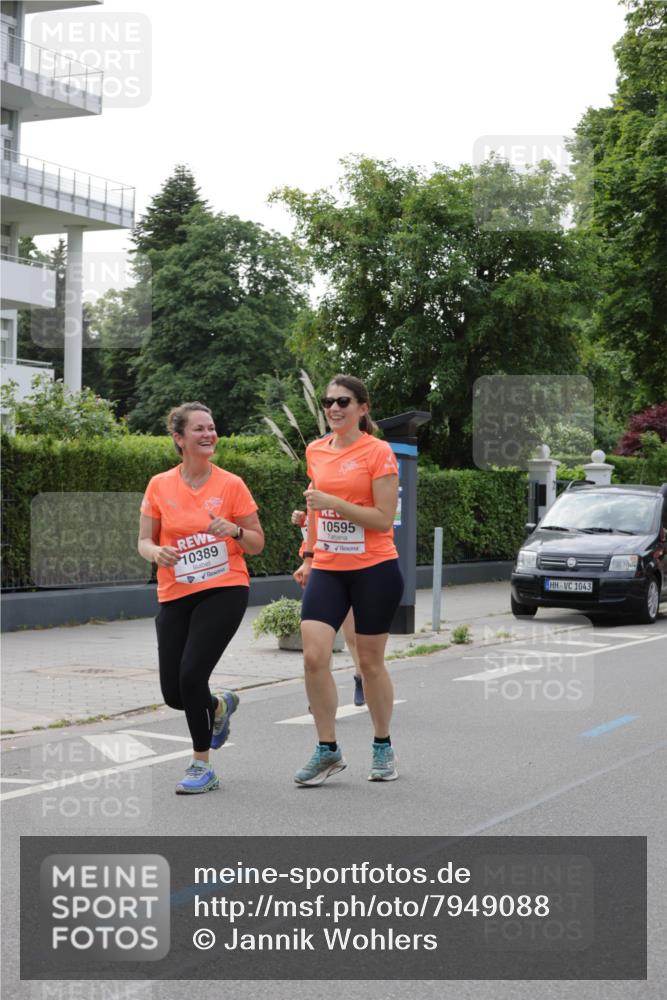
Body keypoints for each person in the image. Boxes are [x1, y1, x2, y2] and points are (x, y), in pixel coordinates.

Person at [138, 402, 264, 794]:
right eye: (199, 429)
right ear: (179, 438)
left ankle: (201, 765)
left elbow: (258, 544)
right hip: (175, 591)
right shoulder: (160, 484)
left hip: (224, 586)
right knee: (175, 693)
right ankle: (218, 707)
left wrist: (235, 532)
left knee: (193, 673)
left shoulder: (231, 485)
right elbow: (144, 540)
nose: (209, 434)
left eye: (212, 427)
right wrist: (156, 553)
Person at [293, 375, 403, 786]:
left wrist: (333, 502)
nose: (334, 409)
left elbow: (381, 518)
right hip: (328, 567)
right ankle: (327, 749)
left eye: (343, 401)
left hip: (374, 568)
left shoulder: (378, 453)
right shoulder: (316, 451)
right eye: (328, 402)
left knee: (370, 663)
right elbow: (315, 507)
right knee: (313, 657)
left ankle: (382, 744)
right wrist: (307, 553)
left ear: (362, 408)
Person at [291, 508, 364, 706]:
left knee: (352, 636)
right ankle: (320, 691)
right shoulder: (315, 487)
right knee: (320, 643)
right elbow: (315, 532)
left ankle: (361, 677)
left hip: (350, 570)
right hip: (322, 573)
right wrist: (304, 523)